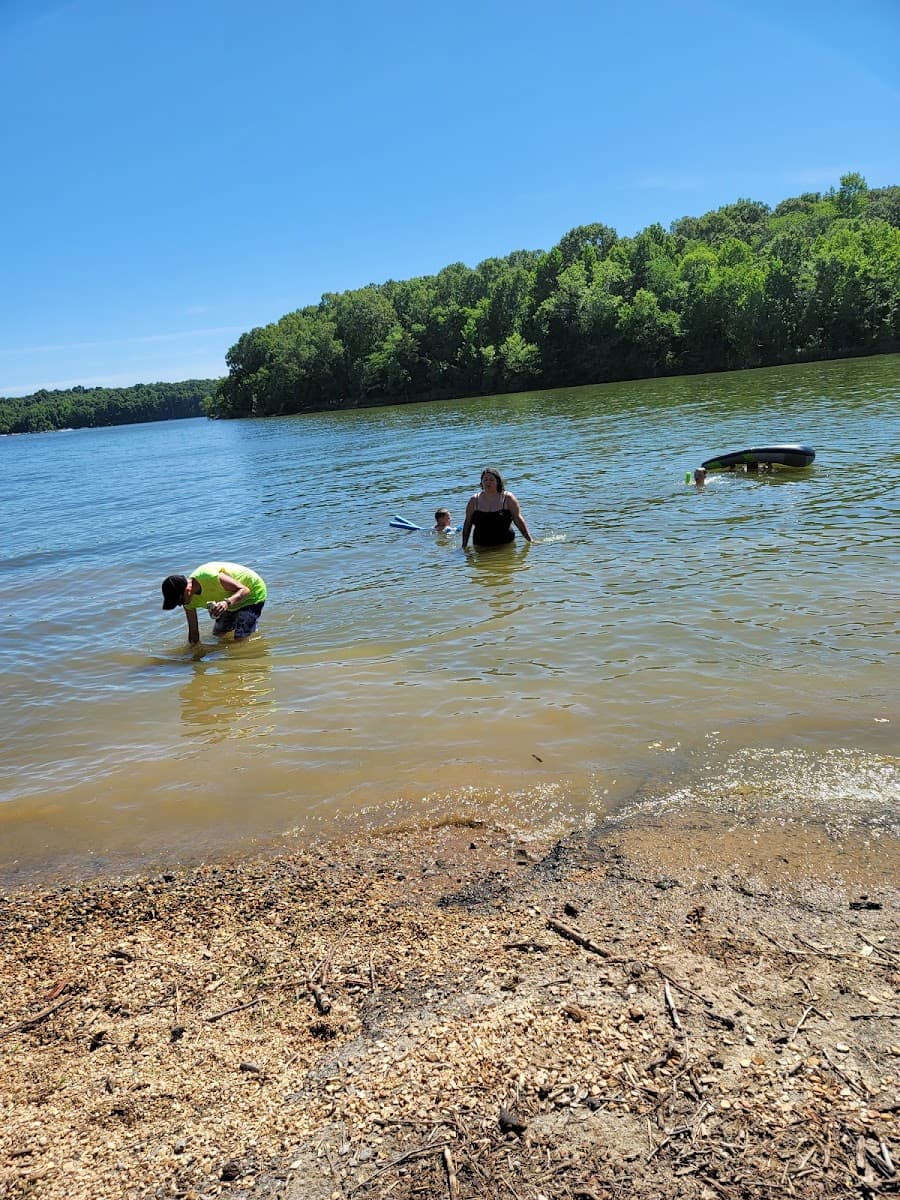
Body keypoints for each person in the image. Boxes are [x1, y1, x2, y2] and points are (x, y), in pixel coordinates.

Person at [161, 562, 267, 644]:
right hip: (228, 600)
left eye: (179, 601)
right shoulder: (188, 602)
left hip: (252, 593)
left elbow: (245, 590)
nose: (180, 605)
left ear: (187, 591)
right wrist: (194, 660)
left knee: (240, 638)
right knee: (218, 635)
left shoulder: (209, 577)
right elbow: (193, 631)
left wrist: (226, 603)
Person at [462, 467, 533, 549]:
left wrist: (530, 540)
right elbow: (467, 523)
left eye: (491, 479)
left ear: (498, 482)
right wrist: (464, 546)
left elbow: (518, 520)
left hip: (505, 545)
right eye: (485, 480)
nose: (488, 482)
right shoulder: (474, 500)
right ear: (481, 483)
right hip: (481, 546)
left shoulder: (508, 498)